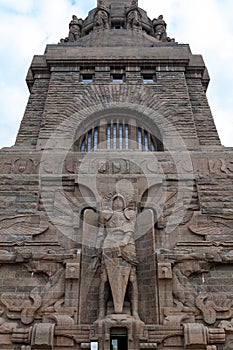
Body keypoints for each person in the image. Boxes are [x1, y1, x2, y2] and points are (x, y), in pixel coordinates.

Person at [96, 194, 139, 318]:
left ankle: (135, 311)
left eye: (121, 199)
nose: (118, 201)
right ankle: (101, 312)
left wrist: (124, 241)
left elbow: (130, 229)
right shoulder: (105, 215)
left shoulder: (130, 214)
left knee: (132, 279)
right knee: (104, 279)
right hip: (109, 244)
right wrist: (99, 246)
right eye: (115, 199)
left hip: (127, 245)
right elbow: (100, 231)